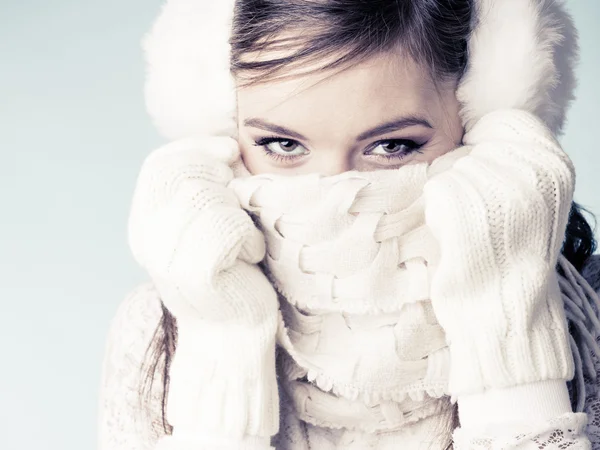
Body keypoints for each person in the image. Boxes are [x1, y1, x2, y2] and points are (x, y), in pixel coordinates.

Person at [97, 0, 600, 449]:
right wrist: (218, 372)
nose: (335, 194)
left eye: (392, 146)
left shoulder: (589, 309)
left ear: (484, 125)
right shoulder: (157, 329)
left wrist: (511, 338)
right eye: (283, 145)